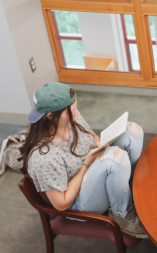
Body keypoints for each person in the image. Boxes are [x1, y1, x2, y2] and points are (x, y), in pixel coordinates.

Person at [20, 82, 147, 238]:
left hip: (93, 166)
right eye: (72, 111)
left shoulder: (72, 119)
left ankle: (128, 189)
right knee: (115, 158)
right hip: (80, 200)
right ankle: (122, 215)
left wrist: (98, 143)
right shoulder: (43, 157)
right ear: (51, 116)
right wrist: (87, 163)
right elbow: (61, 204)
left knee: (132, 131)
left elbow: (90, 135)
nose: (77, 113)